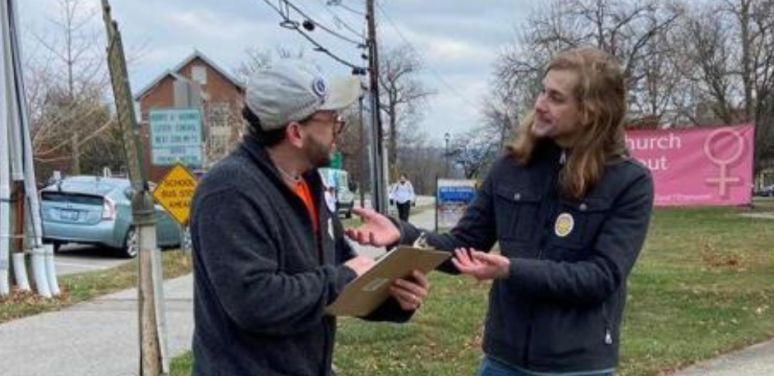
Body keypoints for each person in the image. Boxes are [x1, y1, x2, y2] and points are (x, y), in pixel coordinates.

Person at [346, 47, 654, 376]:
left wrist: (512, 270)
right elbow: (462, 246)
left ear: (591, 112)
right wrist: (403, 233)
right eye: (542, 90)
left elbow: (601, 277)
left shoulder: (629, 181)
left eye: (556, 97)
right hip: (502, 360)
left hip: (576, 364)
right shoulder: (512, 165)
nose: (540, 104)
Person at [189, 60, 430, 376]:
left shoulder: (310, 182)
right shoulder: (229, 191)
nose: (338, 131)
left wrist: (393, 296)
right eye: (332, 121)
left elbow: (338, 277)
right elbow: (255, 301)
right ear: (295, 132)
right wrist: (342, 277)